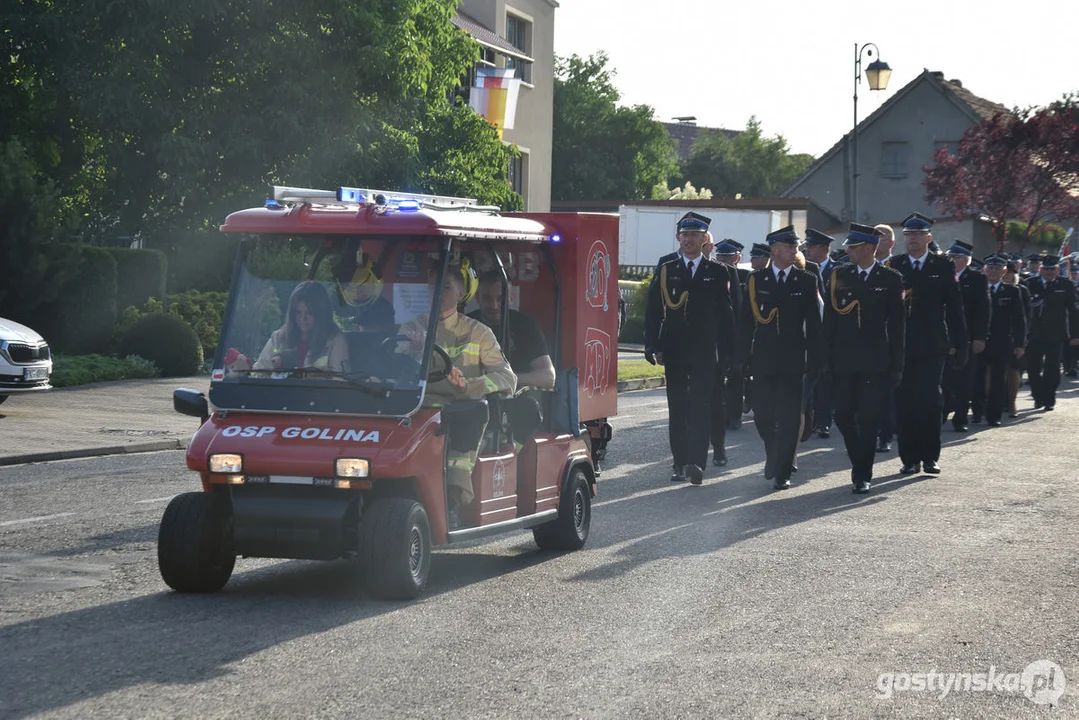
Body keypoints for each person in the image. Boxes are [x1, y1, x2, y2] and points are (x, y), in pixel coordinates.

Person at [399, 264, 517, 527]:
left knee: (470, 414)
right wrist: (414, 353)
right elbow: (394, 372)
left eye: (446, 286)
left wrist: (469, 387)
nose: (437, 291)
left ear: (461, 292)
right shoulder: (410, 329)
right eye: (432, 286)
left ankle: (452, 501)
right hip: (417, 408)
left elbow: (507, 378)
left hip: (458, 410)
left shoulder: (478, 332)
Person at [644, 212, 736, 484]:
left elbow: (726, 315)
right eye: (684, 235)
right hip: (675, 349)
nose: (688, 239)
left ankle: (696, 462)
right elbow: (654, 310)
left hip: (705, 350)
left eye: (694, 235)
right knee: (678, 407)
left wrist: (730, 352)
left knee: (700, 405)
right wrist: (652, 344)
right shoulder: (667, 270)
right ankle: (678, 462)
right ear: (677, 238)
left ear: (704, 239)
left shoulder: (718, 272)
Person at [823, 223, 905, 493]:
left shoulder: (890, 278)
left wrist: (897, 364)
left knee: (869, 418)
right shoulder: (839, 275)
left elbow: (897, 326)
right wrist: (825, 359)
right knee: (843, 415)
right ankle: (859, 456)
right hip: (844, 360)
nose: (848, 250)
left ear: (869, 248)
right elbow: (830, 323)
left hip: (875, 361)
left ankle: (862, 474)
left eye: (854, 247)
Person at [739, 225, 823, 490]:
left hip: (793, 359)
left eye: (795, 247)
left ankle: (783, 470)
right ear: (775, 250)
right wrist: (740, 359)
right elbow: (745, 323)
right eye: (789, 247)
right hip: (763, 359)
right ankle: (773, 454)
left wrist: (817, 359)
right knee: (763, 415)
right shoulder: (756, 281)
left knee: (788, 417)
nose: (794, 251)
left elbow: (815, 325)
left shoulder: (806, 280)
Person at [886, 212, 967, 476]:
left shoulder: (942, 266)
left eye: (918, 234)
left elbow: (955, 308)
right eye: (908, 234)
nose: (912, 238)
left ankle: (930, 457)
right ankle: (909, 458)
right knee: (905, 402)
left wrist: (961, 344)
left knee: (931, 401)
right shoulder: (894, 265)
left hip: (933, 344)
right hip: (903, 345)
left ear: (929, 238)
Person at [468, 271, 556, 389]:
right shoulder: (466, 325)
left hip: (517, 402)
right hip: (473, 398)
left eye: (500, 299)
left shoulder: (525, 326)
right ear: (477, 298)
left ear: (510, 298)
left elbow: (548, 377)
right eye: (487, 298)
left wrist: (506, 379)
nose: (494, 305)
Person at [1022, 255, 1079, 411]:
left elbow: (1073, 311)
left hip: (1056, 333)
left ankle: (1049, 398)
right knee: (1033, 368)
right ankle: (1037, 395)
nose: (1048, 272)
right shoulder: (1029, 284)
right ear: (1040, 269)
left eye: (1052, 269)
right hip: (1034, 334)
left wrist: (1075, 335)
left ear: (1057, 270)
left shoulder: (1066, 284)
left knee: (1052, 368)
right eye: (1045, 269)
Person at [942, 241, 989, 430]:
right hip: (945, 334)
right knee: (944, 379)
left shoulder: (977, 279)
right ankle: (943, 411)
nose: (951, 260)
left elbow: (983, 311)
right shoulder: (943, 276)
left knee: (964, 379)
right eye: (950, 257)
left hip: (967, 335)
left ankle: (960, 418)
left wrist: (980, 337)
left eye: (955, 257)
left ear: (965, 260)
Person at [975, 255, 1027, 426]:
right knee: (978, 377)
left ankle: (993, 415)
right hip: (979, 339)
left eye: (998, 268)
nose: (993, 272)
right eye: (990, 268)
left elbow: (1019, 319)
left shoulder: (1012, 291)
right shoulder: (977, 288)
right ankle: (977, 411)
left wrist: (1020, 344)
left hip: (1002, 342)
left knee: (998, 379)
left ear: (1004, 271)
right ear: (985, 270)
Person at [254, 281, 349, 372]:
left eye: (309, 313)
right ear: (292, 313)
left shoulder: (335, 342)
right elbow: (259, 373)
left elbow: (340, 382)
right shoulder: (278, 338)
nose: (303, 319)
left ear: (321, 314)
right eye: (298, 312)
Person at [713, 239, 750, 439]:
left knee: (736, 376)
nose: (724, 260)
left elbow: (741, 307)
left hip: (736, 333)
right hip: (716, 334)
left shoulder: (745, 275)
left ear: (737, 258)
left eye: (728, 257)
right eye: (720, 256)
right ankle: (719, 413)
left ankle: (735, 415)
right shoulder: (712, 273)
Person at [803, 229, 835, 439]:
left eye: (812, 246)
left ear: (823, 248)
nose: (807, 250)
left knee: (824, 381)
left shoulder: (836, 270)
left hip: (828, 331)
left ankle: (824, 421)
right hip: (808, 332)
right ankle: (809, 420)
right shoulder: (804, 269)